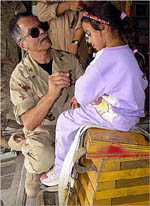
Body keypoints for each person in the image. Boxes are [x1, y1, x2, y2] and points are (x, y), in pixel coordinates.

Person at [40, 1, 148, 187]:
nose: (88, 40)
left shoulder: (105, 58)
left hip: (116, 117)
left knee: (66, 119)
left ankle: (59, 170)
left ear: (104, 28)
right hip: (132, 113)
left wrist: (79, 99)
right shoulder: (128, 52)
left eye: (89, 34)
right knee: (89, 108)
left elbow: (82, 92)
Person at [8, 12, 83, 197]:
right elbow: (29, 123)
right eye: (34, 32)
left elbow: (87, 94)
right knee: (43, 158)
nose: (42, 31)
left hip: (73, 122)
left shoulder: (69, 60)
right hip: (44, 129)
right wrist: (51, 95)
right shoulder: (19, 76)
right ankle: (32, 163)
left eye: (42, 26)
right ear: (23, 45)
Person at [37, 0, 91, 68]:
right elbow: (42, 14)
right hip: (55, 47)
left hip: (77, 45)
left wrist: (75, 44)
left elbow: (85, 18)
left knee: (81, 71)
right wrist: (67, 5)